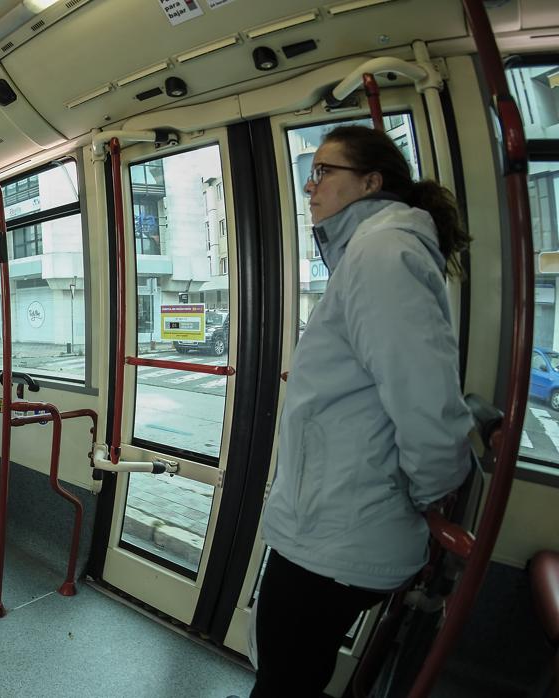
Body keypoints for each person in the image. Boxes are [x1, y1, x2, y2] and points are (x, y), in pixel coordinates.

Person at [250, 125, 473, 697]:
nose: (309, 184)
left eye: (325, 171)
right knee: (289, 672)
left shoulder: (381, 253)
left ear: (371, 182)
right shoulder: (367, 253)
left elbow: (425, 403)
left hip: (338, 530)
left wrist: (427, 493)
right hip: (329, 522)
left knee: (286, 678)